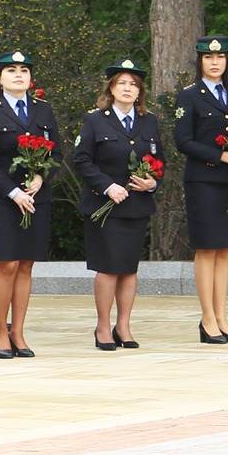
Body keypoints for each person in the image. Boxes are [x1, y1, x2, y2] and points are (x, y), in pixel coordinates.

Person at [71, 58, 164, 350]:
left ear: (140, 92)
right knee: (108, 267)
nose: (127, 88)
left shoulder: (149, 121)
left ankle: (123, 325)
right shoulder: (95, 120)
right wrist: (107, 186)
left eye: (133, 84)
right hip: (104, 206)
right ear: (110, 89)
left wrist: (152, 183)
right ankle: (102, 326)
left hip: (136, 206)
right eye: (121, 83)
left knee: (129, 268)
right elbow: (81, 160)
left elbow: (159, 161)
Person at [0, 50, 61, 358]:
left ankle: (19, 332)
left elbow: (56, 153)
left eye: (24, 70)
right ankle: (1, 331)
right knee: (7, 264)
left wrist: (41, 176)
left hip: (36, 198)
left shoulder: (43, 109)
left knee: (25, 265)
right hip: (1, 200)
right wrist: (13, 192)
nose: (18, 75)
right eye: (11, 70)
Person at [173, 35, 228, 343]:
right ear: (200, 62)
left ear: (227, 61)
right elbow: (183, 141)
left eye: (220, 57)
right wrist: (222, 157)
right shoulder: (190, 96)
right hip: (203, 180)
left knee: (225, 249)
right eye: (208, 57)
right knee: (207, 248)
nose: (215, 62)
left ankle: (221, 317)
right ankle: (207, 320)